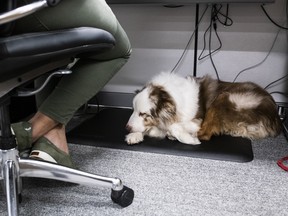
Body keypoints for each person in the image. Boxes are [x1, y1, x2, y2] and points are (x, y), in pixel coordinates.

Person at [11, 0, 131, 168]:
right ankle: (29, 132)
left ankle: (52, 140)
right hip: (29, 8)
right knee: (119, 50)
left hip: (9, 14)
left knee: (56, 48)